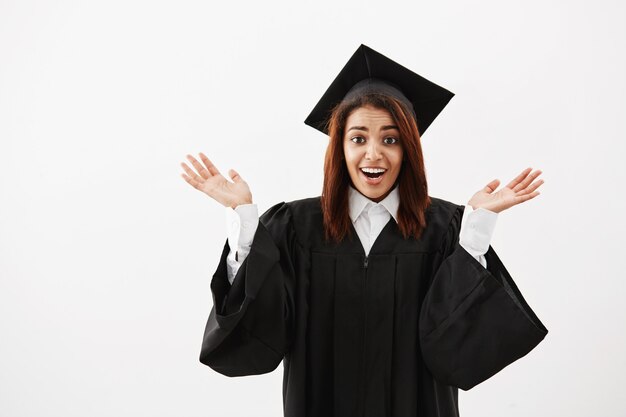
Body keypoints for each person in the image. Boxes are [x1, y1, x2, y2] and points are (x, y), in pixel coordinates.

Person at [181, 44, 548, 417]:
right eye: (358, 138)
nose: (373, 154)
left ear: (409, 149)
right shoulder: (295, 228)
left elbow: (459, 347)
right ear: (339, 147)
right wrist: (243, 223)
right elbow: (262, 333)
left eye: (390, 139)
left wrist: (476, 230)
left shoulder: (447, 228)